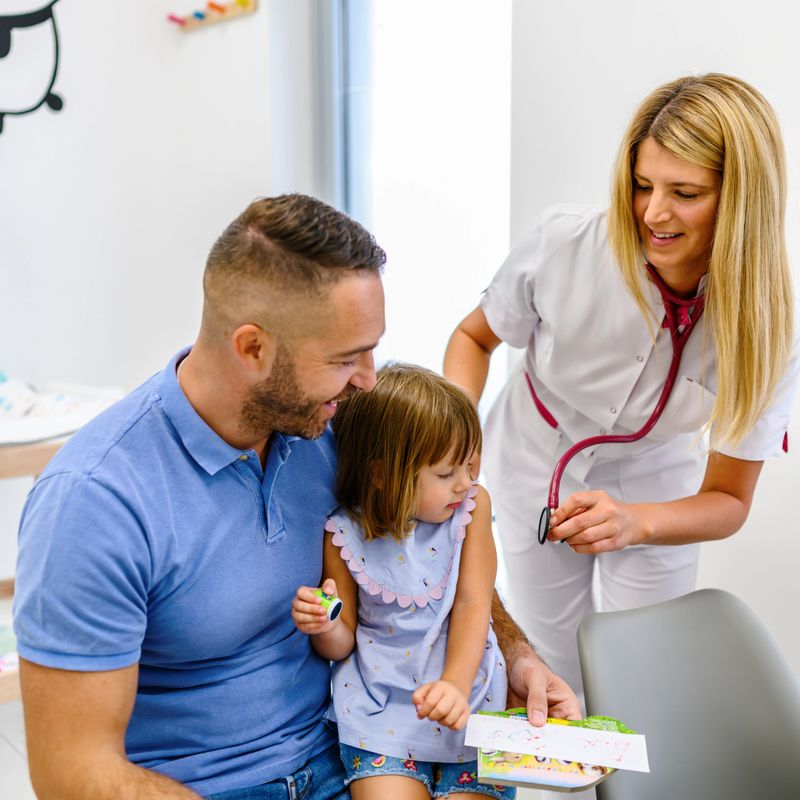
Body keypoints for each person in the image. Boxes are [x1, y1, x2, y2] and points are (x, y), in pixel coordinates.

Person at [13, 194, 579, 799]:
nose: (368, 378)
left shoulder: (337, 424)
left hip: (353, 748)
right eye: (344, 358)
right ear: (253, 348)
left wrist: (516, 655)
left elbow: (438, 552)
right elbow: (72, 773)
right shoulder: (95, 501)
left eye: (372, 348)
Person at [444, 73, 800, 699]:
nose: (653, 213)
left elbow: (729, 500)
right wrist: (453, 435)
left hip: (658, 480)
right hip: (535, 458)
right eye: (641, 185)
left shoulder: (771, 327)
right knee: (550, 664)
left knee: (646, 671)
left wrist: (636, 522)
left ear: (742, 201)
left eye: (685, 192)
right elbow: (474, 338)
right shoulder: (565, 244)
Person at [293, 363, 514, 800]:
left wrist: (454, 683)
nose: (465, 483)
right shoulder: (342, 534)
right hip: (380, 714)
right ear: (382, 475)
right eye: (446, 474)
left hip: (470, 700)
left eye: (469, 466)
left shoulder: (471, 510)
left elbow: (474, 603)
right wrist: (325, 624)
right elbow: (343, 642)